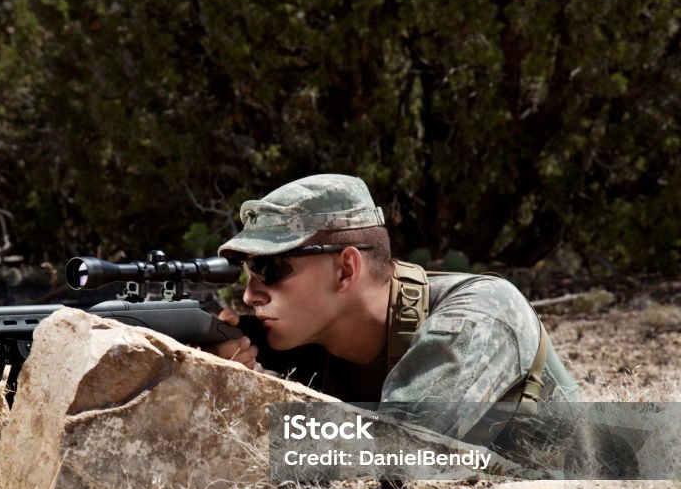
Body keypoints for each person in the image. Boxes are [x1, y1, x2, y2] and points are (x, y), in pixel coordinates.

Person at [207, 173, 582, 445]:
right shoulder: (312, 344)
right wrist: (220, 377)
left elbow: (398, 451)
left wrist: (256, 397)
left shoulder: (477, 314)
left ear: (346, 269)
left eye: (268, 269)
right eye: (247, 273)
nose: (250, 296)